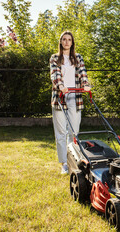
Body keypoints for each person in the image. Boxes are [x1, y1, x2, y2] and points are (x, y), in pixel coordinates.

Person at [50, 31, 90, 174]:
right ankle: (64, 164)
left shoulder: (78, 58)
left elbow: (83, 73)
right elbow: (55, 74)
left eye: (69, 40)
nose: (67, 42)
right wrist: (61, 86)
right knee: (61, 132)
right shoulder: (55, 58)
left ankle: (74, 159)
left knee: (74, 132)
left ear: (72, 43)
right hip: (59, 98)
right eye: (64, 39)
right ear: (61, 42)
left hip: (75, 97)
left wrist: (86, 84)